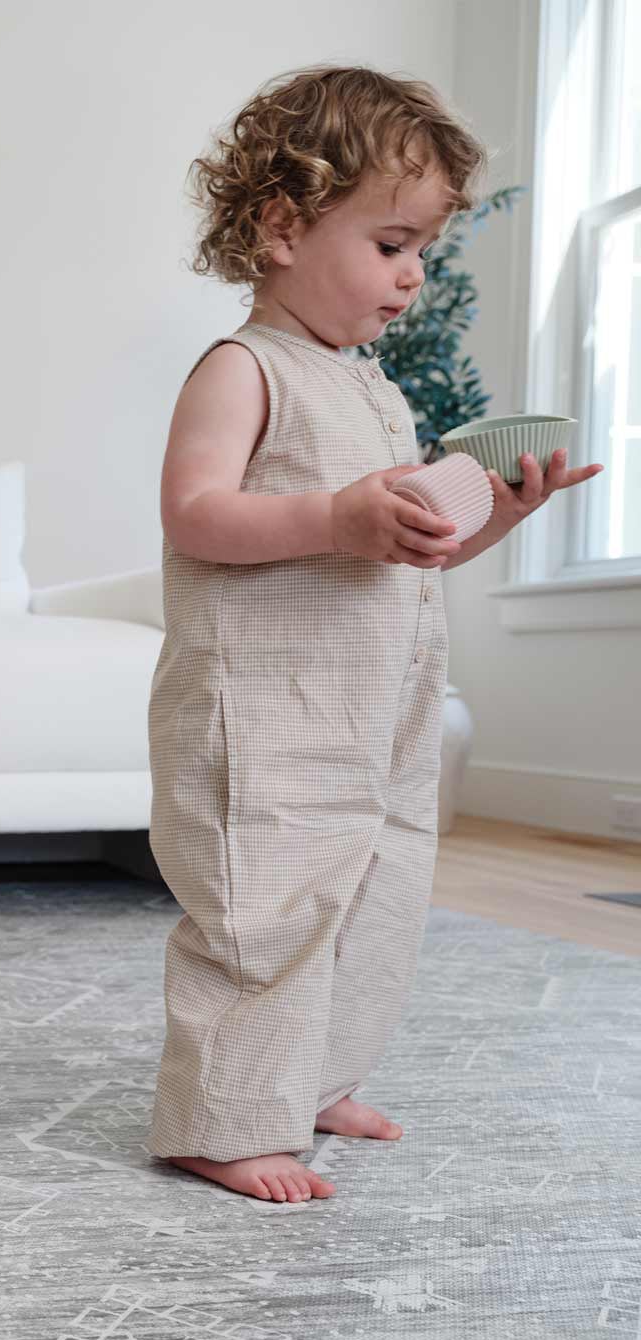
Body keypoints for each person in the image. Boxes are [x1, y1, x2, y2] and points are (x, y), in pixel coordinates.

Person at [146, 65, 604, 1203]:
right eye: (391, 244)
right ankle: (223, 1116)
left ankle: (312, 1080)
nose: (410, 278)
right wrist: (332, 514)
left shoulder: (377, 390)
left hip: (378, 707)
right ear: (282, 225)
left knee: (378, 895)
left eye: (421, 254)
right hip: (264, 715)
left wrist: (496, 513)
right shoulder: (243, 368)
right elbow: (194, 513)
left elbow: (413, 553)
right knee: (271, 908)